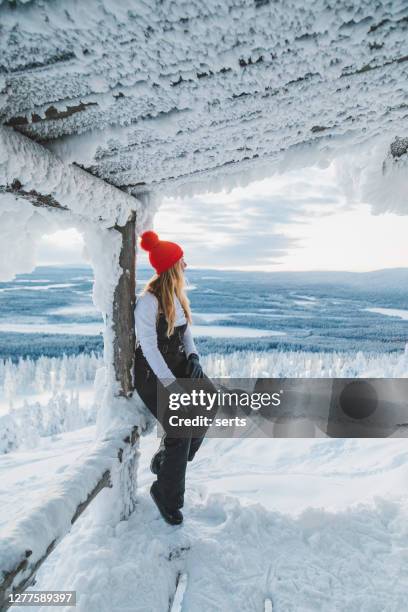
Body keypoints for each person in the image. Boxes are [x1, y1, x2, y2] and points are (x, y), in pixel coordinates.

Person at [134, 230, 212, 526]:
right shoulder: (148, 303)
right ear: (171, 267)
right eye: (182, 261)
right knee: (181, 426)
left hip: (177, 361)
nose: (186, 266)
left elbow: (186, 332)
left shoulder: (176, 296)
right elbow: (150, 349)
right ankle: (165, 493)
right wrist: (172, 386)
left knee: (208, 402)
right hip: (153, 372)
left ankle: (168, 462)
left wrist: (193, 357)